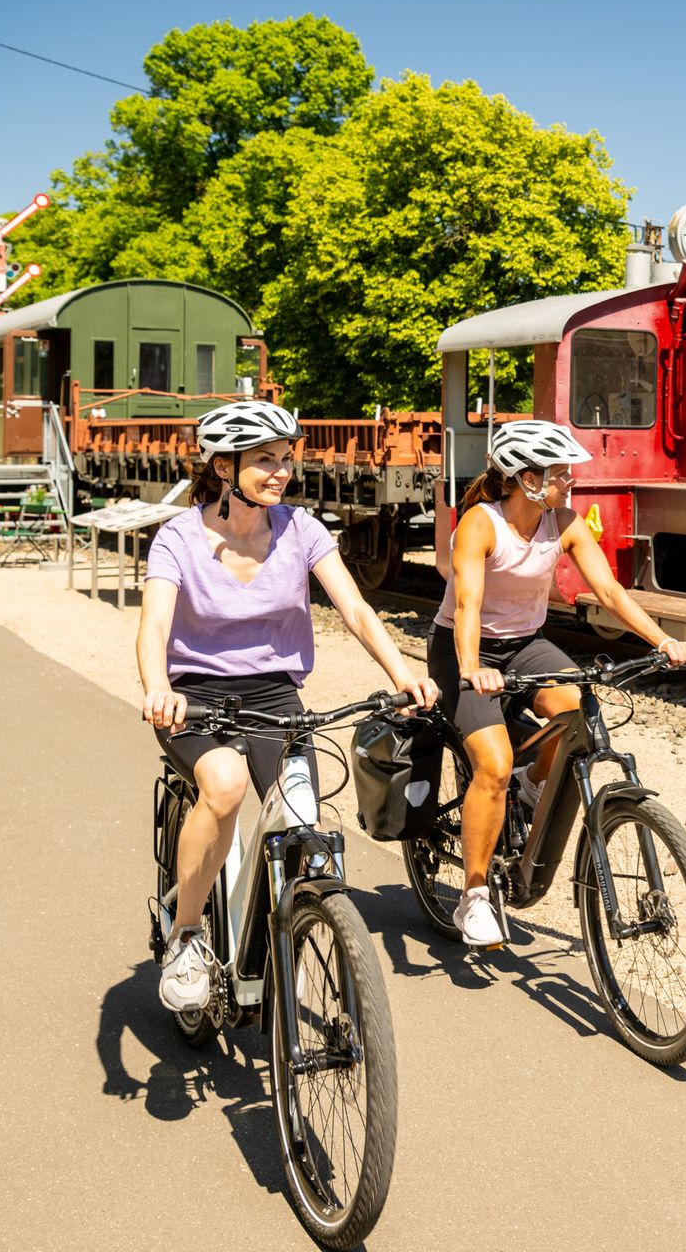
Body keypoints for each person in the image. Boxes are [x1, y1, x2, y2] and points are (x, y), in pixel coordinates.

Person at [138, 400, 439, 1012]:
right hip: (195, 695)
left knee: (302, 824)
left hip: (275, 696)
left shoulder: (302, 530)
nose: (280, 472)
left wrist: (404, 674)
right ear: (224, 467)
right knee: (222, 786)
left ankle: (291, 925)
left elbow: (355, 609)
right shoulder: (179, 537)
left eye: (285, 459)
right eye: (264, 461)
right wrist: (157, 688)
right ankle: (188, 936)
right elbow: (153, 624)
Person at [432, 419, 686, 947]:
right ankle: (474, 897)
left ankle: (532, 787)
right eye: (559, 472)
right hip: (465, 645)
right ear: (526, 479)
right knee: (494, 764)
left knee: (579, 709)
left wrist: (661, 641)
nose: (569, 480)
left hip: (526, 644)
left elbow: (610, 591)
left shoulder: (565, 522)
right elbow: (467, 605)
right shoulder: (481, 524)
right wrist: (473, 668)